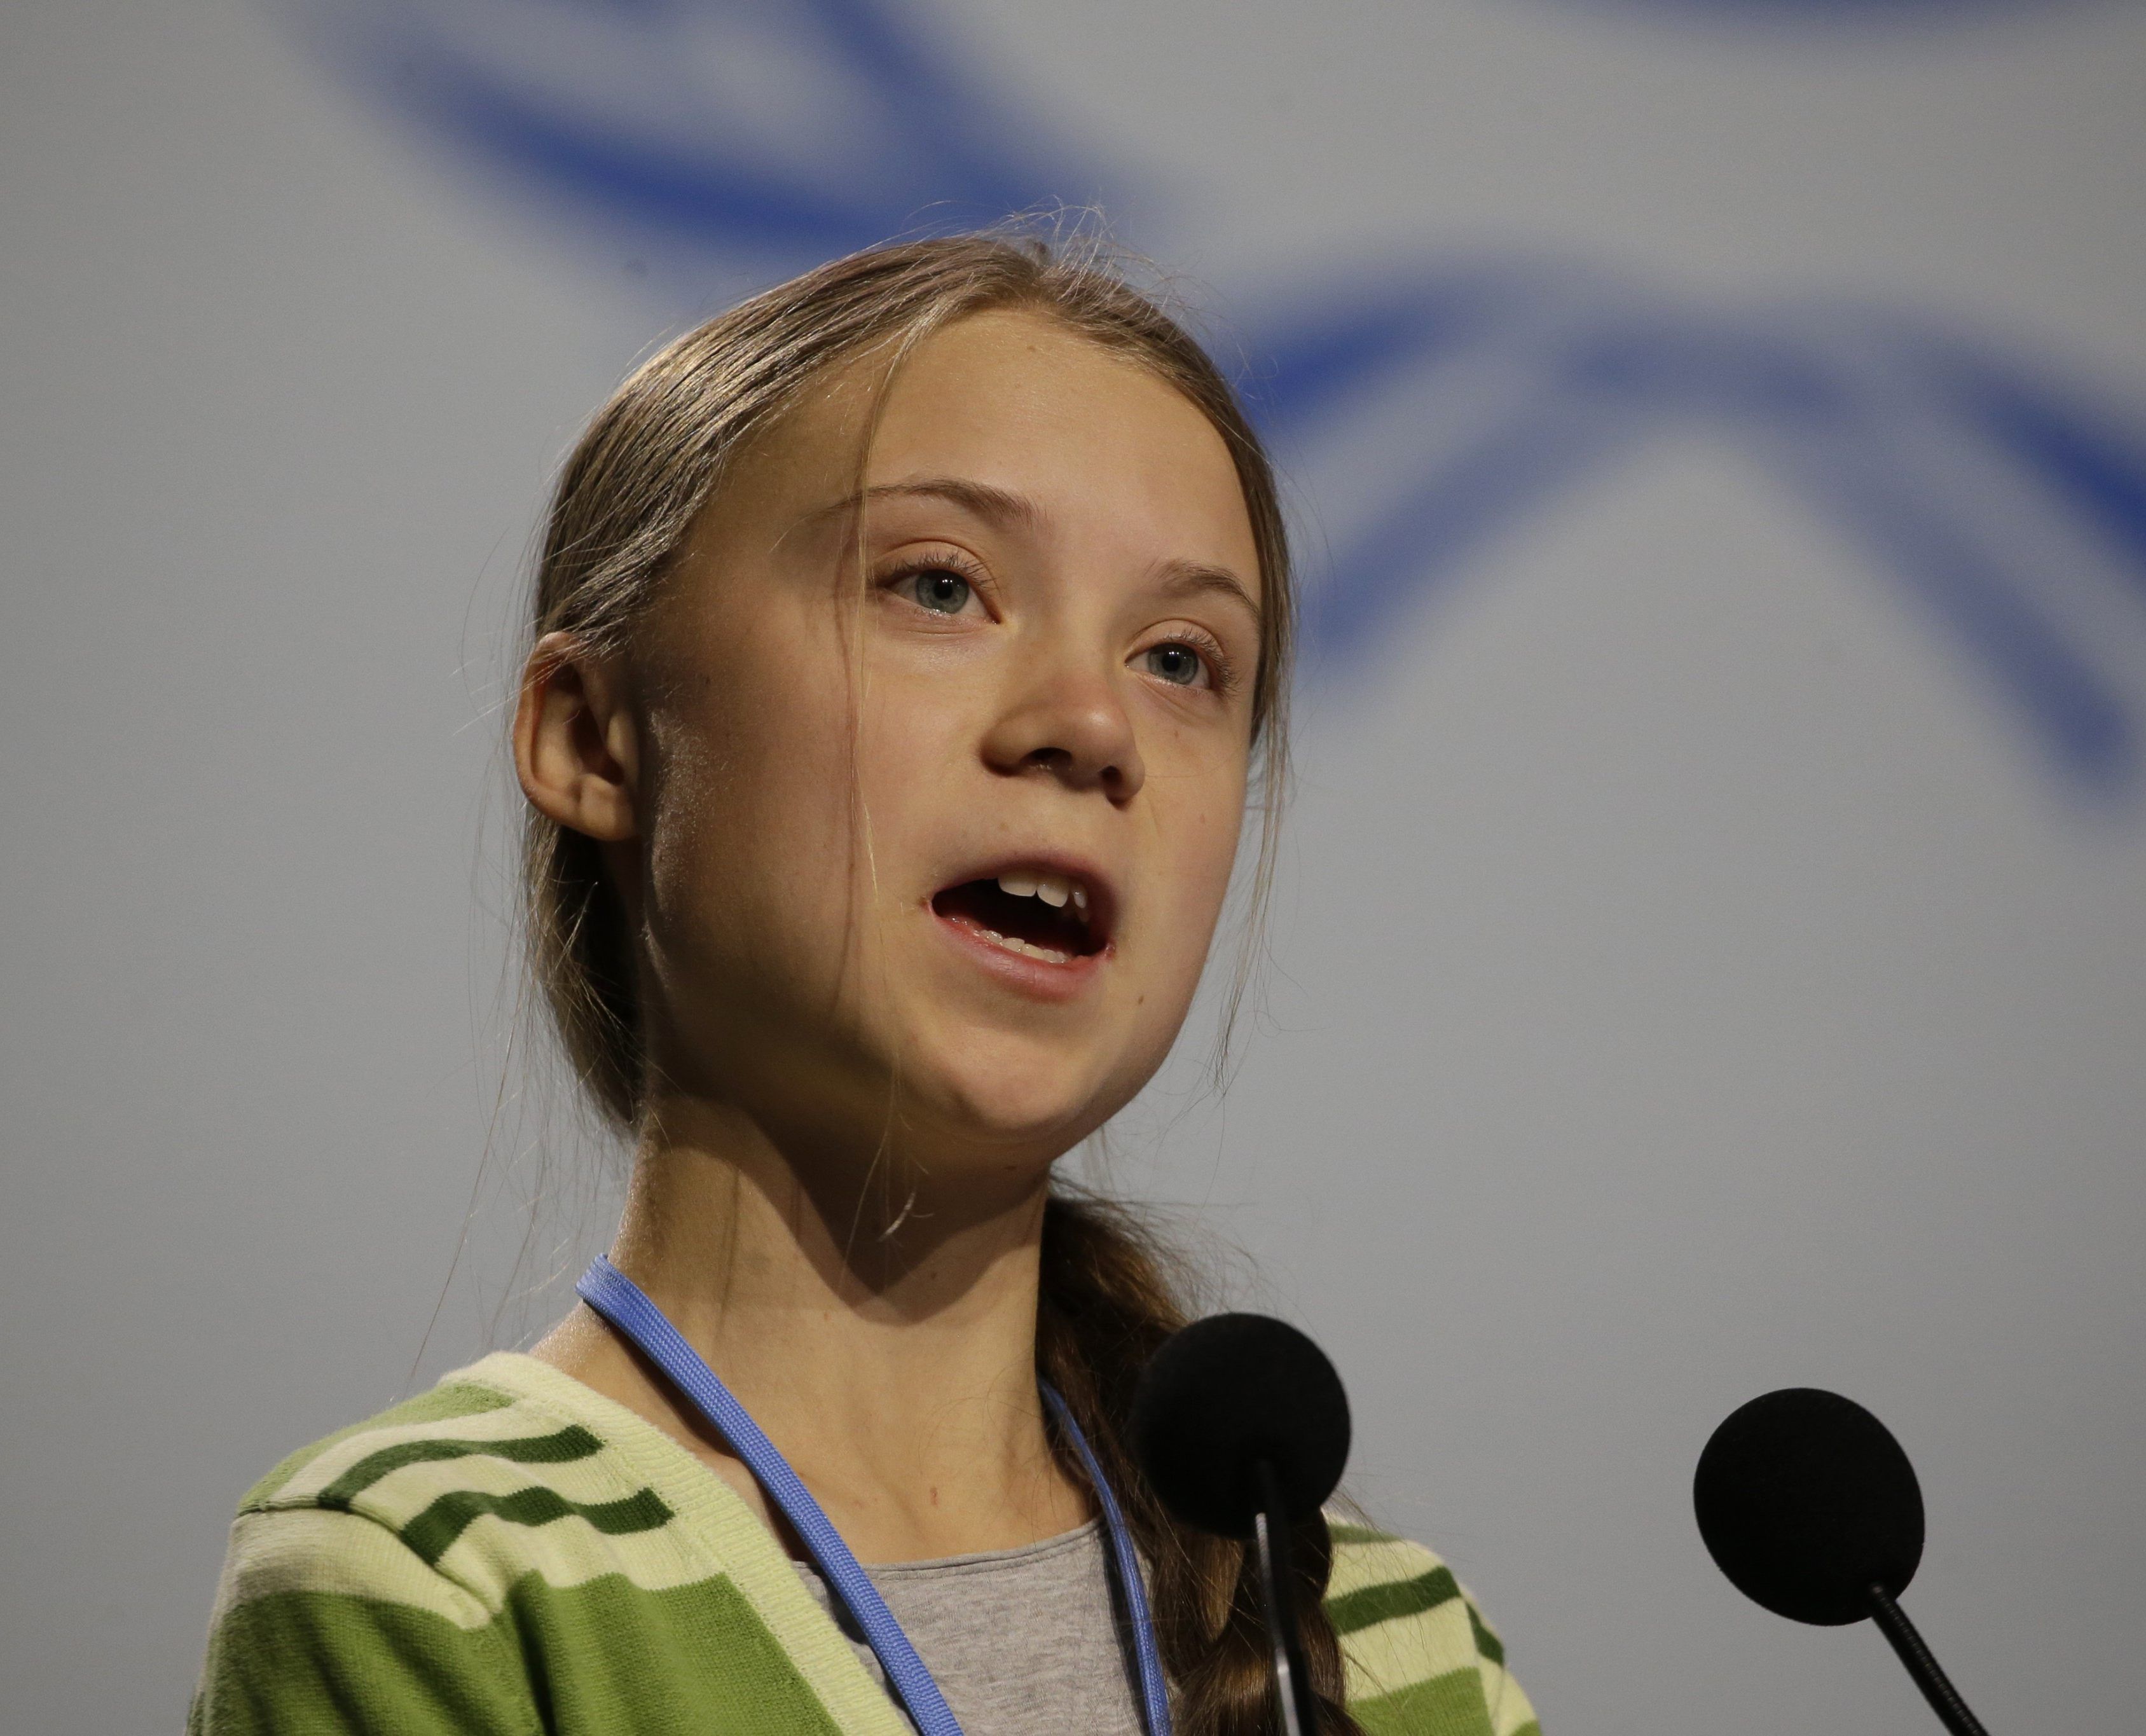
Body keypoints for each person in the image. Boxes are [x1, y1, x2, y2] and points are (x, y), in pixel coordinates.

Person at [189, 233, 1539, 1736]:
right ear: (592, 737)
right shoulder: (441, 1581)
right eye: (940, 587)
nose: (1092, 723)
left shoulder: (1387, 1647)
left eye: (1179, 658)